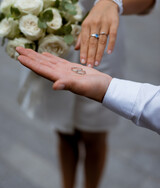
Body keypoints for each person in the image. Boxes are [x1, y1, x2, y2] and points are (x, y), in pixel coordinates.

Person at [1, 0, 160, 188]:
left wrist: (113, 0)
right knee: (63, 131)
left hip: (99, 49)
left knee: (93, 136)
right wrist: (17, 16)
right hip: (49, 49)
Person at [16, 47, 160, 135]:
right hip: (64, 54)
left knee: (94, 132)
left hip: (101, 58)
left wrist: (108, 87)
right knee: (63, 129)